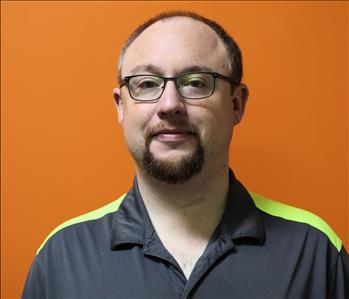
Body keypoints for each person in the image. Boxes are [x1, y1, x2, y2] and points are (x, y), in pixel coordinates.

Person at [22, 11, 348, 298]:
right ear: (122, 107)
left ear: (236, 104)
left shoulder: (314, 252)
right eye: (147, 84)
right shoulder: (61, 256)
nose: (169, 105)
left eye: (194, 82)